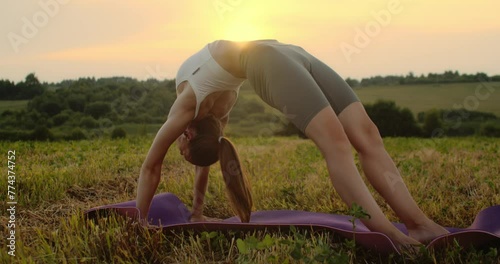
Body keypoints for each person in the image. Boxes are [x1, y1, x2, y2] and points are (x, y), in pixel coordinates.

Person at [136, 39, 449, 246]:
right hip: (287, 52)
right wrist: (196, 212)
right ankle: (415, 226)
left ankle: (393, 233)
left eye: (181, 151)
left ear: (188, 134)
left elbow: (152, 167)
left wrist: (139, 222)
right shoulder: (213, 113)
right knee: (364, 135)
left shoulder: (184, 109)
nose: (177, 146)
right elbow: (209, 153)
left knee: (339, 144)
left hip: (271, 59)